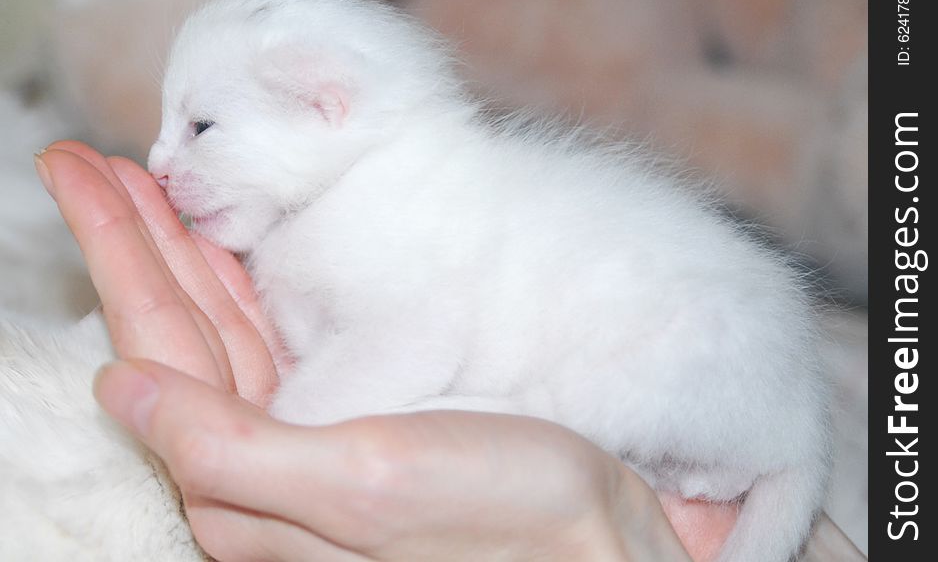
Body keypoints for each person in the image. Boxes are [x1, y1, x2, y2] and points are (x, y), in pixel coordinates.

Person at [34, 141, 864, 561]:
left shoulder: (396, 201)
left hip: (726, 369)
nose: (164, 156)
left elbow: (421, 337)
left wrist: (298, 420)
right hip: (728, 404)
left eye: (202, 126)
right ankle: (709, 477)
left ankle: (712, 473)